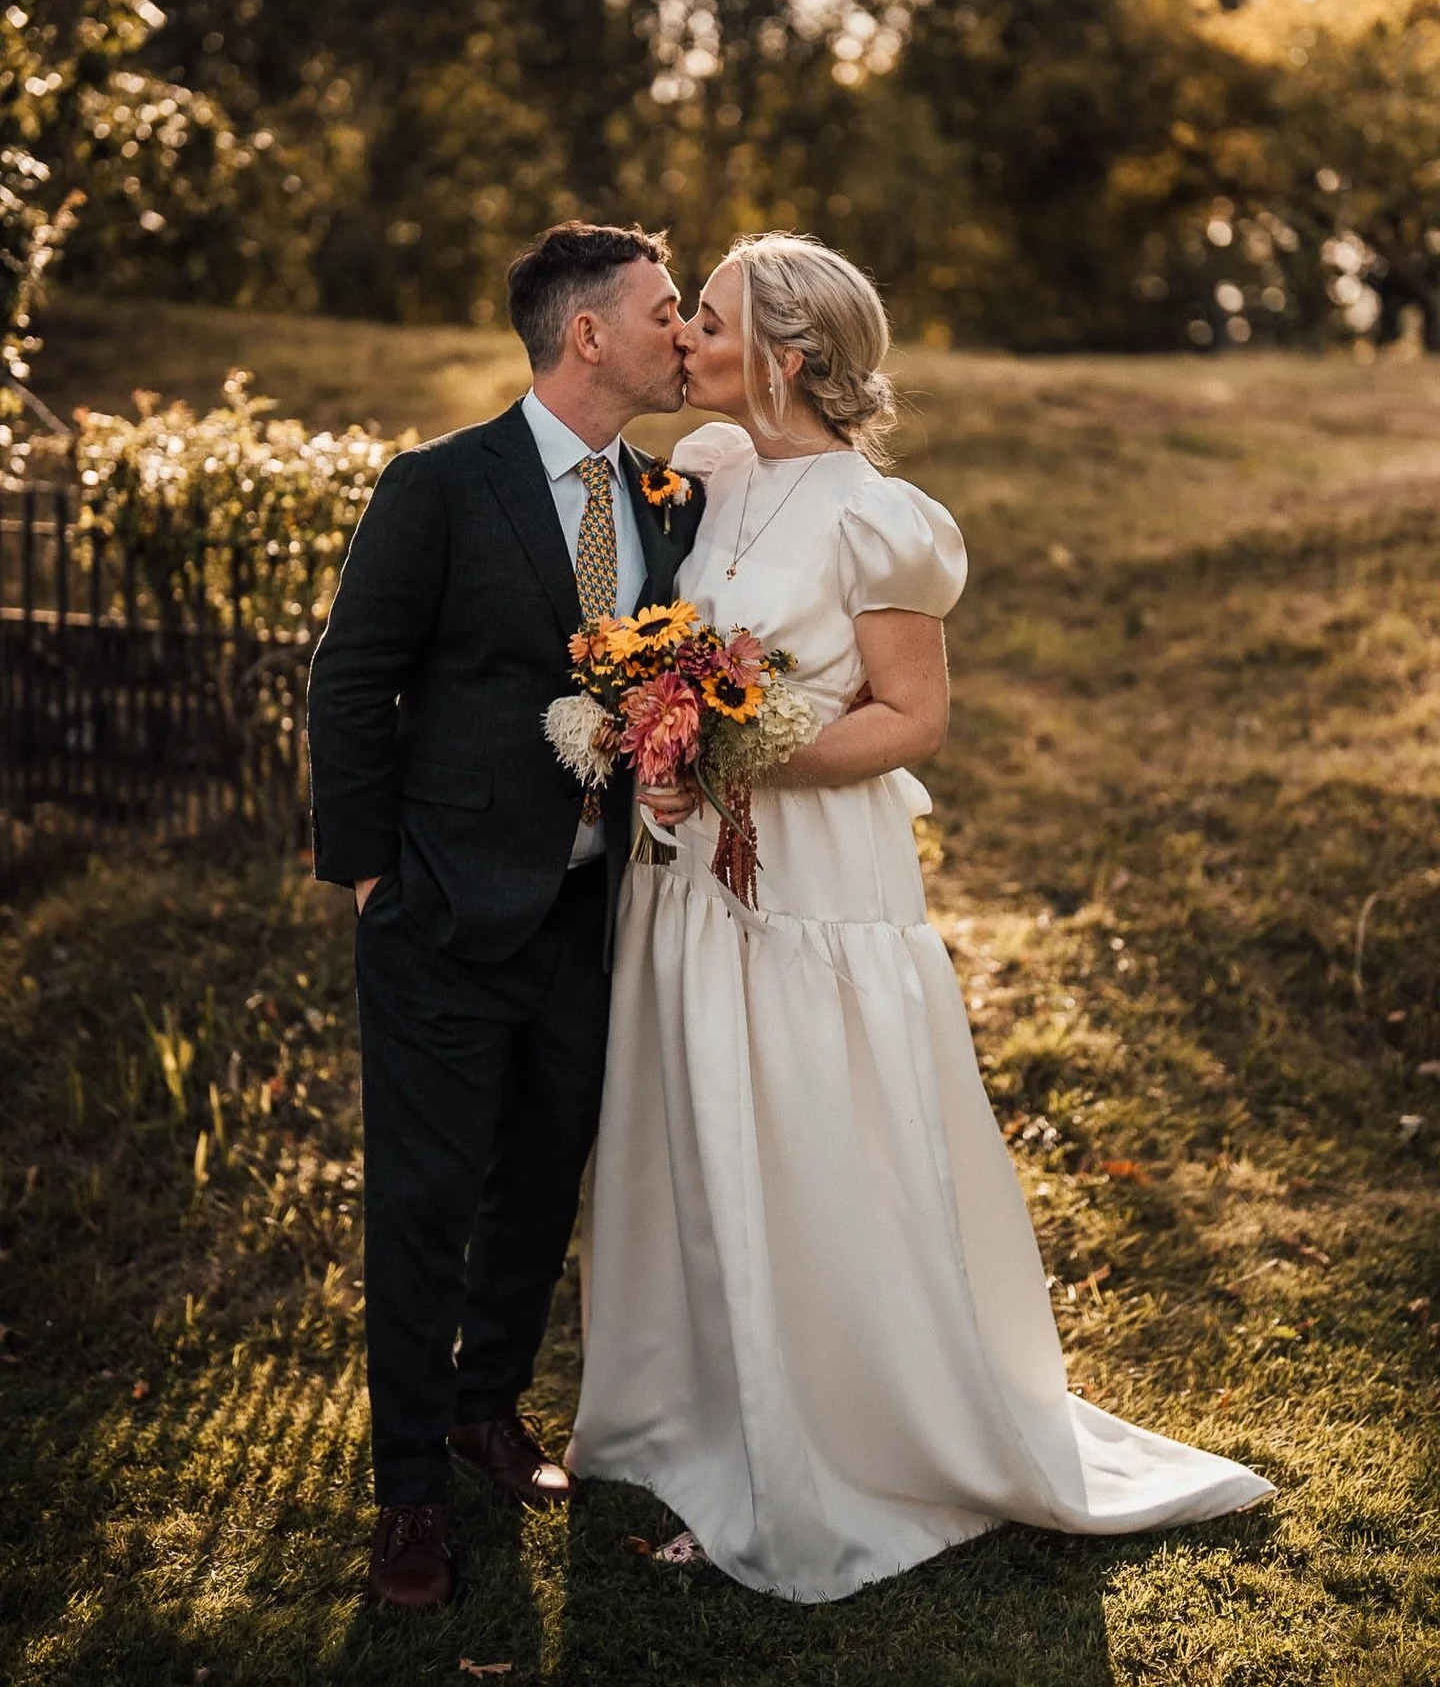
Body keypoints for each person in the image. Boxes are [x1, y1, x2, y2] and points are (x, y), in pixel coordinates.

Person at [567, 233, 1274, 1602]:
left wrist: (728, 753)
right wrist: (665, 736)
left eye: (704, 322)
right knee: (701, 1125)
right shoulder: (706, 475)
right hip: (692, 885)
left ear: (785, 355)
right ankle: (692, 1415)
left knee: (813, 1132)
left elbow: (912, 719)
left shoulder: (882, 519)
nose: (682, 342)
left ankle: (844, 1435)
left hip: (817, 884)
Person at [306, 221, 703, 1608]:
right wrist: (370, 879)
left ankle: (488, 1410)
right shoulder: (439, 485)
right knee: (425, 1202)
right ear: (586, 332)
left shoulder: (667, 500)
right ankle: (409, 1490)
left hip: (598, 918)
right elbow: (350, 681)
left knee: (542, 1178)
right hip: (440, 916)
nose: (685, 330)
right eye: (665, 309)